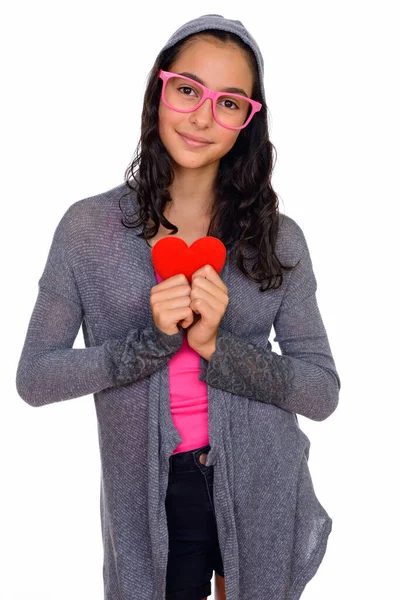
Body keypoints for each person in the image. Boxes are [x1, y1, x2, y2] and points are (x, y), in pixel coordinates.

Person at [16, 13, 341, 600]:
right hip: (151, 495)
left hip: (261, 485)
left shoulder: (278, 238)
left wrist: (219, 347)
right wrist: (150, 344)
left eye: (230, 103)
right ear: (158, 91)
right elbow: (35, 377)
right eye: (188, 90)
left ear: (248, 121)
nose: (202, 117)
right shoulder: (87, 229)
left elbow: (321, 391)